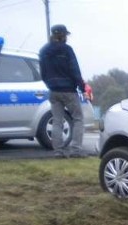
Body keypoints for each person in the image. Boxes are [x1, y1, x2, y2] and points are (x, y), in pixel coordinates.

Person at [39, 24, 90, 158]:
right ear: (63, 35)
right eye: (66, 35)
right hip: (69, 90)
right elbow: (75, 70)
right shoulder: (67, 50)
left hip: (53, 91)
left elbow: (43, 73)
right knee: (78, 119)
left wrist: (50, 85)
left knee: (57, 121)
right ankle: (75, 150)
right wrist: (82, 87)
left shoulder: (44, 51)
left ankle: (58, 151)